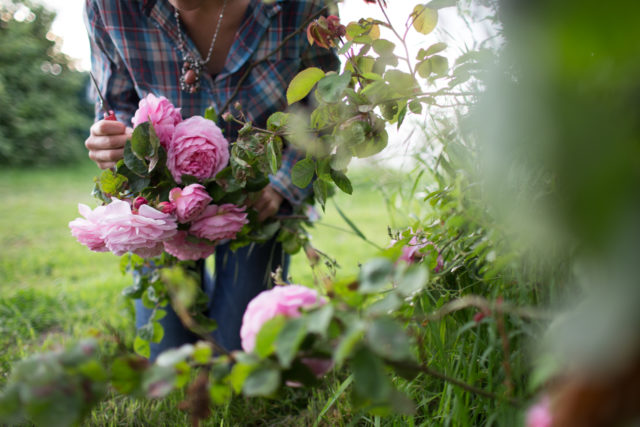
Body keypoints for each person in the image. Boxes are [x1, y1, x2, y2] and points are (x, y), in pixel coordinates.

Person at [82, 0, 339, 359]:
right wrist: (114, 139)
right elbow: (117, 100)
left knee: (240, 352)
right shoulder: (108, 7)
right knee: (170, 358)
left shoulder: (304, 5)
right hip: (161, 201)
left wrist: (281, 185)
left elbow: (324, 109)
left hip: (257, 200)